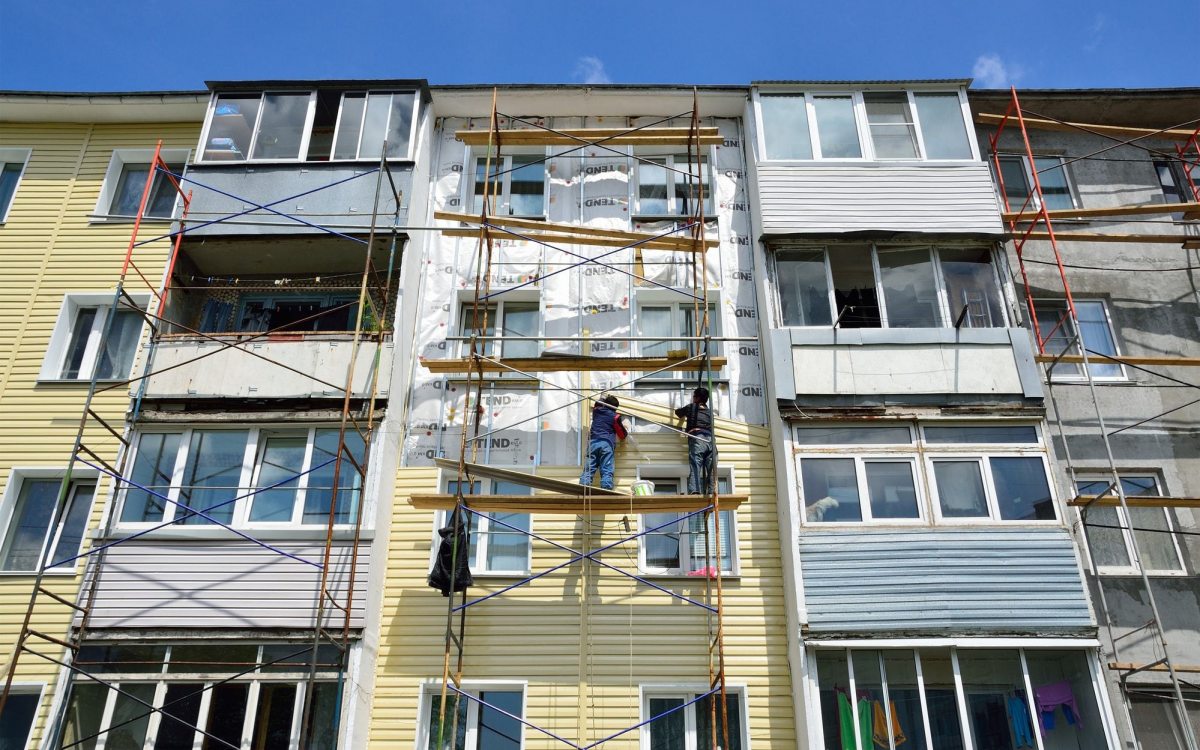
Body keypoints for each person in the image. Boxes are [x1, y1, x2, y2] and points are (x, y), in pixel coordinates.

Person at [579, 395, 628, 490]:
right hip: (606, 444)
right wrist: (625, 430)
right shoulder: (615, 417)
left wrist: (603, 397)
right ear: (615, 407)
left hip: (593, 443)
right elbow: (622, 434)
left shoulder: (596, 410)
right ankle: (606, 487)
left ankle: (584, 485)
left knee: (589, 467)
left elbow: (598, 402)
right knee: (606, 467)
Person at [675, 387, 714, 495]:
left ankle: (695, 491)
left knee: (695, 465)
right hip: (711, 441)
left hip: (698, 438)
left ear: (697, 398)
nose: (692, 399)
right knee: (711, 468)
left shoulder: (691, 407)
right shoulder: (709, 412)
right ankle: (713, 491)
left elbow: (678, 413)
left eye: (693, 396)